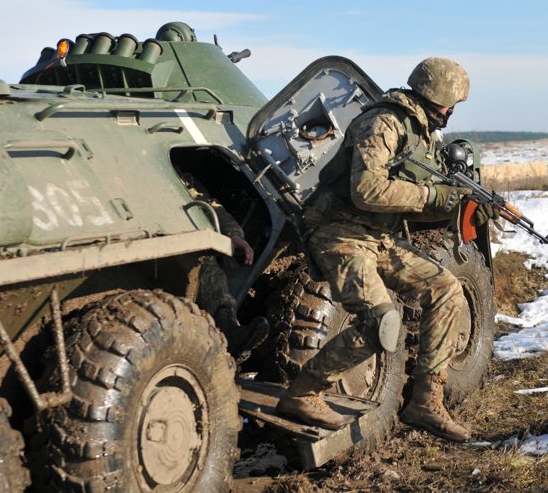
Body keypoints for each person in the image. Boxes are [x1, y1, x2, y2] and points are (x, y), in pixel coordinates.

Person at [276, 57, 498, 442]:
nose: (452, 111)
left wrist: (457, 200)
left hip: (377, 238)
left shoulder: (420, 130)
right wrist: (432, 197)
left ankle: (426, 402)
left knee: (446, 290)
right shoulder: (383, 123)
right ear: (436, 96)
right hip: (340, 234)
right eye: (452, 103)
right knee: (380, 324)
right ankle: (303, 392)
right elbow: (368, 190)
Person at [179, 172, 269, 362]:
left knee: (208, 261)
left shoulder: (181, 175)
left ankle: (227, 328)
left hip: (180, 234)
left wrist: (235, 235)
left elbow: (209, 204)